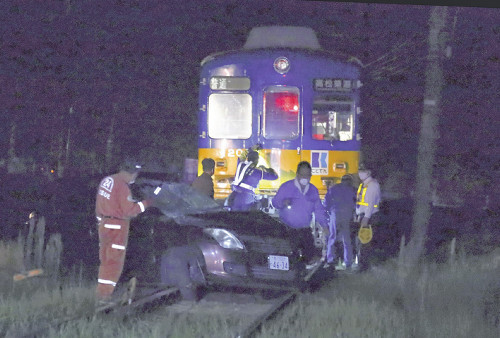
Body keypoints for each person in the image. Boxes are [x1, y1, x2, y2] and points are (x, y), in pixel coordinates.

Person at [95, 158, 153, 303]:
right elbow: (130, 211)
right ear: (130, 173)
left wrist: (100, 222)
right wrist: (147, 203)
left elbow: (99, 203)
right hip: (117, 227)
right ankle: (105, 296)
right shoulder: (122, 186)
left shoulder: (107, 181)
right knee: (114, 263)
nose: (135, 177)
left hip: (104, 225)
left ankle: (102, 293)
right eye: (135, 174)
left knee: (106, 261)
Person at [272, 161, 329, 261]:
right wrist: (283, 202)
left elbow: (318, 209)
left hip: (305, 231)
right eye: (303, 175)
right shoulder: (286, 187)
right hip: (288, 231)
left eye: (308, 175)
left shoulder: (313, 190)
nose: (305, 178)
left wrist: (324, 226)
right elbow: (275, 203)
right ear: (297, 174)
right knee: (290, 259)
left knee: (309, 258)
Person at [323, 174, 356, 270]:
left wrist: (328, 213)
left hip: (335, 215)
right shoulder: (353, 190)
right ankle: (348, 262)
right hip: (347, 215)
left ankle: (331, 260)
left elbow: (326, 203)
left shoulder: (334, 188)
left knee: (332, 237)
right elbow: (356, 203)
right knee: (347, 240)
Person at [355, 164, 382, 271]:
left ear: (369, 172)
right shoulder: (363, 185)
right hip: (363, 216)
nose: (360, 173)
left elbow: (370, 204)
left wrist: (366, 218)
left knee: (365, 242)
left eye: (363, 171)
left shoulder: (372, 185)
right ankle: (362, 265)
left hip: (370, 217)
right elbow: (360, 203)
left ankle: (364, 267)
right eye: (359, 170)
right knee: (361, 242)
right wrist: (358, 215)